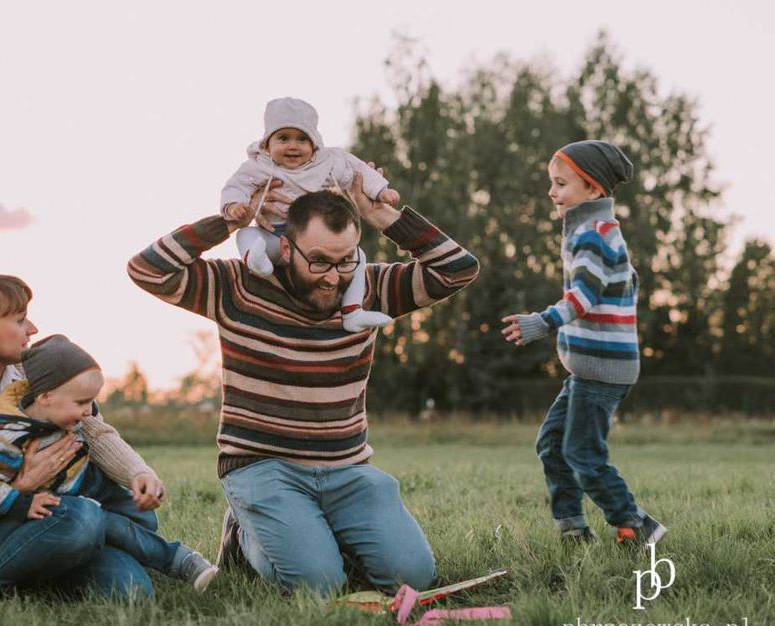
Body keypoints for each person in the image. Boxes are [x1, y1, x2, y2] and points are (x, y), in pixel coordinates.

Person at [129, 172, 480, 595]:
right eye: (318, 261)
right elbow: (146, 270)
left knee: (414, 578)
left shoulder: (369, 287)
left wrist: (384, 217)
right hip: (262, 467)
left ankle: (317, 532)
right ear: (285, 246)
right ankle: (243, 535)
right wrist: (230, 221)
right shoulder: (237, 286)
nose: (333, 277)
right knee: (318, 585)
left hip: (347, 470)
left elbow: (459, 269)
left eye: (345, 259)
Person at [0, 274, 167, 606]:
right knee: (85, 519)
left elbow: (94, 431)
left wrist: (138, 473)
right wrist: (23, 484)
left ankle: (36, 573)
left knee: (132, 593)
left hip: (52, 519)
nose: (33, 329)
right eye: (20, 319)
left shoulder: (31, 376)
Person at [500, 140, 667, 546]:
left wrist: (542, 322)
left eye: (561, 184)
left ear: (592, 189)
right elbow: (626, 284)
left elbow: (583, 296)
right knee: (552, 446)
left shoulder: (594, 235)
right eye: (551, 184)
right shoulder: (598, 231)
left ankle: (639, 526)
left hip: (602, 370)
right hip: (589, 367)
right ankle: (573, 529)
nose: (552, 192)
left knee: (582, 454)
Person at [0, 333, 218, 591]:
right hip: (61, 512)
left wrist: (139, 474)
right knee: (112, 525)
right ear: (45, 397)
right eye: (81, 402)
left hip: (88, 490)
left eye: (91, 401)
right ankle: (178, 560)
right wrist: (22, 502)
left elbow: (100, 436)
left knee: (141, 516)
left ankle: (138, 558)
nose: (89, 411)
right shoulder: (9, 436)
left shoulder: (67, 415)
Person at [221, 97, 399, 332]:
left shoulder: (326, 163)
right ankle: (257, 262)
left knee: (358, 257)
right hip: (274, 238)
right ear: (267, 145)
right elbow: (236, 186)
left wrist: (380, 191)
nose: (293, 146)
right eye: (283, 138)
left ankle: (353, 311)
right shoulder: (259, 166)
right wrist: (235, 206)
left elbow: (359, 170)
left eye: (302, 139)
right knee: (245, 235)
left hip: (314, 242)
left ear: (314, 145)